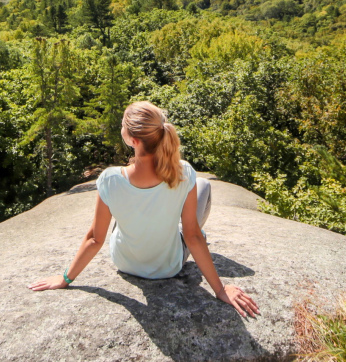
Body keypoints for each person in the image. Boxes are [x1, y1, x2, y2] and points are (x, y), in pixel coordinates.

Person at [28, 101, 259, 318]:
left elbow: (95, 239)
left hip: (125, 263)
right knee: (203, 186)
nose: (121, 128)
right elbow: (193, 236)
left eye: (123, 125)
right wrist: (220, 289)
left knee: (124, 208)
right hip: (168, 267)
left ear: (133, 140)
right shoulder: (184, 172)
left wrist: (65, 278)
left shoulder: (110, 179)